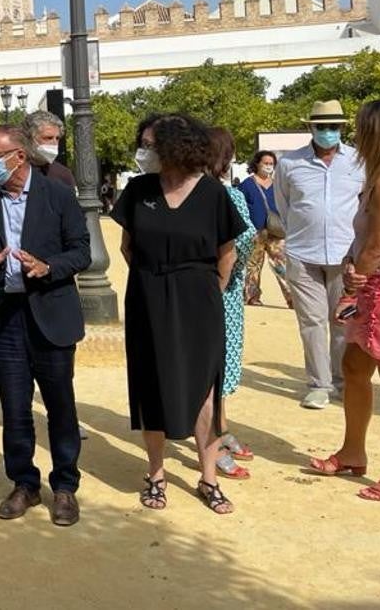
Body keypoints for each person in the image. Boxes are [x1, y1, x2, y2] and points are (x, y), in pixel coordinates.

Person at [111, 114, 246, 515]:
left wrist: (202, 292)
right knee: (151, 384)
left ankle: (209, 478)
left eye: (152, 144)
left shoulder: (212, 193)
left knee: (206, 389)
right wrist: (157, 281)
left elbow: (228, 255)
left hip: (199, 299)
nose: (144, 151)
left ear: (176, 147)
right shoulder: (138, 190)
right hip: (148, 296)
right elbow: (127, 247)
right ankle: (155, 473)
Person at [0, 124, 90, 525]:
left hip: (51, 314)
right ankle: (24, 483)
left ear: (19, 156)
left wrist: (49, 266)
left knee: (60, 406)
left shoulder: (57, 195)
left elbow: (82, 251)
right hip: (6, 318)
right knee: (14, 407)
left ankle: (66, 486)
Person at [311, 100, 380, 501]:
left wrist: (352, 292)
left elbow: (376, 244)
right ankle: (353, 450)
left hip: (377, 287)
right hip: (371, 282)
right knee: (354, 367)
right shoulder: (374, 176)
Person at [275, 100, 365, 409]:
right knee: (311, 322)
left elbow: (366, 205)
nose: (328, 132)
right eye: (321, 126)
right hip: (303, 254)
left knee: (342, 320)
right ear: (310, 127)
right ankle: (318, 384)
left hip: (346, 256)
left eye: (334, 126)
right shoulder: (289, 164)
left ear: (342, 128)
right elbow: (283, 206)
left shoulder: (358, 161)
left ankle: (341, 381)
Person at [207, 128, 257, 479]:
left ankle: (220, 429)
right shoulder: (227, 197)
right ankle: (215, 441)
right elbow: (244, 243)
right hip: (220, 294)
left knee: (215, 372)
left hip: (213, 292)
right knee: (215, 372)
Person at [237, 150, 292, 307]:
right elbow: (241, 208)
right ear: (257, 164)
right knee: (253, 264)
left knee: (282, 263)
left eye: (271, 164)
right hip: (255, 231)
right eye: (265, 163)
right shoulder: (246, 185)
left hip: (276, 230)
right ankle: (251, 296)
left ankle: (292, 297)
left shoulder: (277, 185)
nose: (268, 166)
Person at [23, 110, 77, 189]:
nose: (54, 143)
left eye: (57, 138)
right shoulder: (16, 171)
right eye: (48, 138)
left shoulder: (63, 174)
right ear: (29, 138)